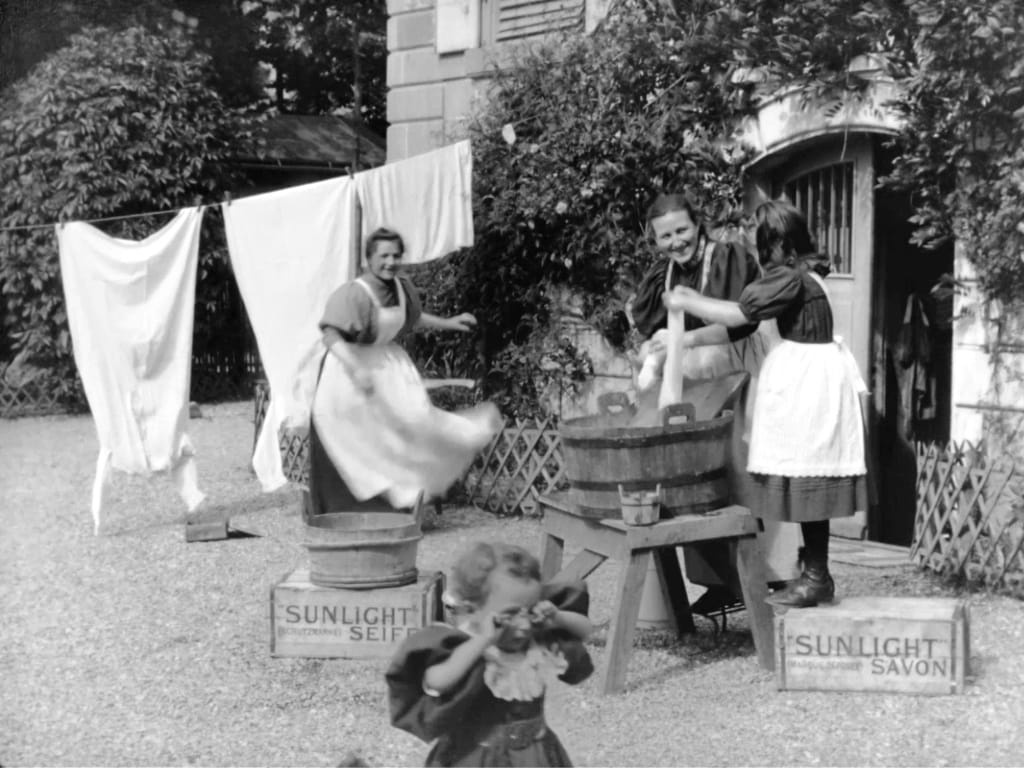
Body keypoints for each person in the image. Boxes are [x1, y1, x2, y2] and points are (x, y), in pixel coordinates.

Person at [664, 199, 868, 607]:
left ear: (778, 245)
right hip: (814, 381)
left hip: (809, 388)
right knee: (808, 476)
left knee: (809, 477)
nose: (759, 255)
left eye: (761, 246)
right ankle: (815, 574)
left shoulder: (791, 278)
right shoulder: (805, 274)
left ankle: (816, 576)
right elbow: (744, 323)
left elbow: (740, 314)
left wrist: (687, 301)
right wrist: (687, 336)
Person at [629, 192, 795, 611]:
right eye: (665, 236)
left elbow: (740, 324)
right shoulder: (664, 275)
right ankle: (720, 580)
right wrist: (653, 349)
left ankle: (773, 576)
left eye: (682, 230)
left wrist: (680, 340)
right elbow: (654, 330)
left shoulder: (727, 258)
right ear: (655, 240)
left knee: (747, 465)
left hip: (745, 367)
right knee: (700, 468)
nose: (676, 242)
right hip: (701, 378)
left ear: (697, 225)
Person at [307, 227, 501, 518]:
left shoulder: (401, 288)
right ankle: (355, 508)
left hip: (387, 364)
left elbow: (412, 318)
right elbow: (331, 335)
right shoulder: (354, 294)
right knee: (356, 432)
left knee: (413, 420)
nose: (390, 262)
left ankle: (406, 495)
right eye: (384, 256)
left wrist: (449, 322)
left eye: (396, 256)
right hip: (349, 365)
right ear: (369, 258)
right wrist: (356, 368)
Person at [386, 542, 594, 767]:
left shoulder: (535, 640)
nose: (524, 625)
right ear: (473, 609)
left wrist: (557, 617)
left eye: (530, 611)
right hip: (476, 756)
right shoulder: (468, 645)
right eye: (510, 615)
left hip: (534, 754)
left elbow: (585, 631)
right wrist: (483, 640)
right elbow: (437, 681)